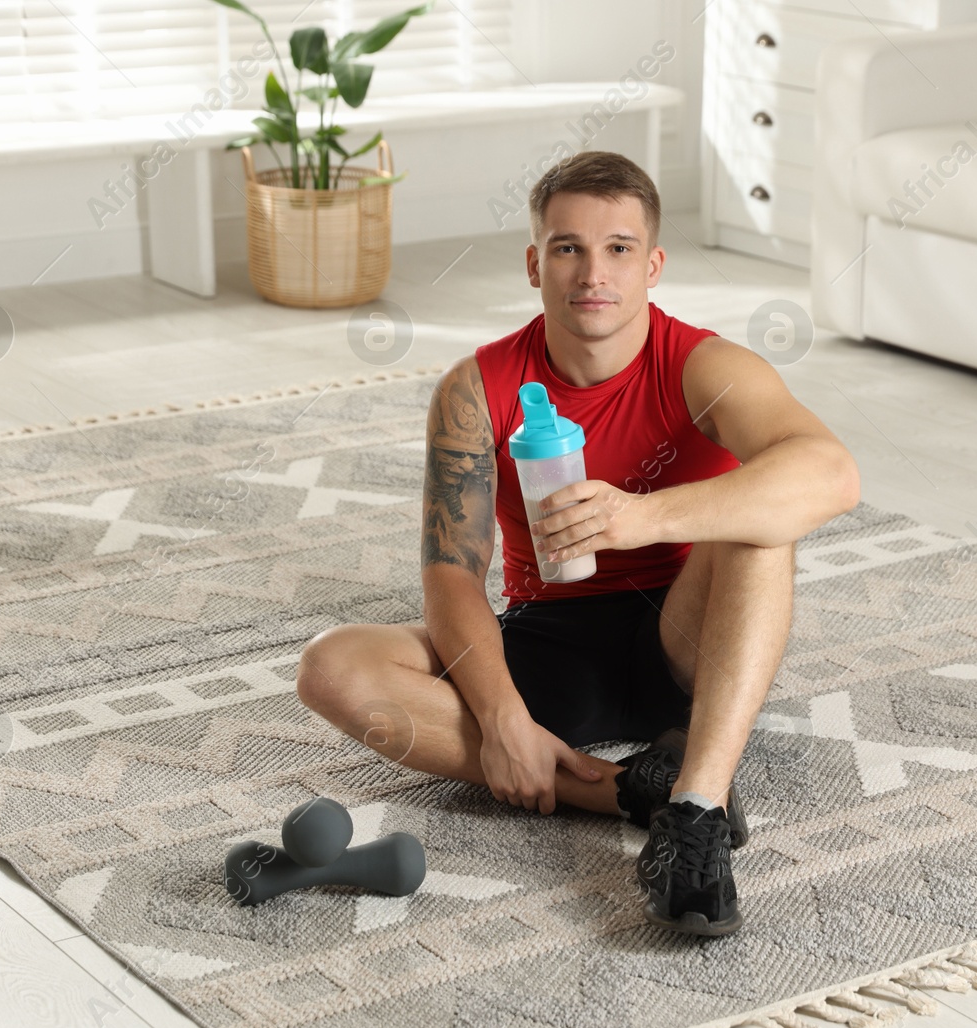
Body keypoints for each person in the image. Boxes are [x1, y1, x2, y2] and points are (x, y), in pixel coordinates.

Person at [297, 150, 860, 936]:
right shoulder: (476, 387)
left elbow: (833, 475)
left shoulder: (707, 366)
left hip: (688, 640)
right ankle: (634, 789)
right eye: (569, 247)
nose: (593, 271)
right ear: (536, 263)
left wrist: (640, 516)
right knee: (332, 666)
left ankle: (695, 814)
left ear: (653, 264)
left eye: (618, 249)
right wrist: (501, 720)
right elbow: (453, 574)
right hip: (551, 640)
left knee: (765, 520)